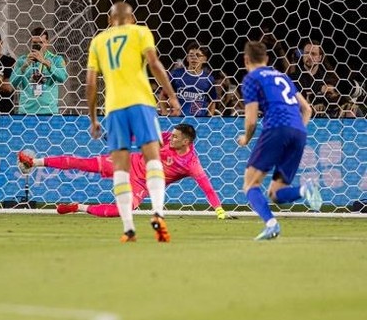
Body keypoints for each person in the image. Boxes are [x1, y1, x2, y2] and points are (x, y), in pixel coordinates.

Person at [86, 1, 181, 243]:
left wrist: (94, 118)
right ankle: (158, 213)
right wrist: (170, 95)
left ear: (109, 21)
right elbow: (154, 63)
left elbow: (91, 82)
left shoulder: (98, 42)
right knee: (153, 159)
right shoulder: (140, 32)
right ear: (132, 18)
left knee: (120, 169)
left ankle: (128, 228)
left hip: (114, 109)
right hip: (141, 104)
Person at [18, 123, 226, 219]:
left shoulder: (191, 163)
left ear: (186, 142)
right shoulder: (165, 138)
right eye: (171, 135)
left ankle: (78, 207)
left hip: (142, 184)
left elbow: (206, 187)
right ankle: (33, 162)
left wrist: (219, 210)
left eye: (175, 137)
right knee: (82, 163)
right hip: (128, 161)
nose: (170, 138)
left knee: (123, 211)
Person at [237, 40, 319, 241]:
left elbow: (251, 120)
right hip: (299, 132)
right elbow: (307, 109)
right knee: (275, 193)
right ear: (266, 59)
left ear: (246, 59)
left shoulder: (252, 78)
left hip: (276, 128)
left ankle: (272, 225)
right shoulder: (283, 77)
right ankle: (304, 190)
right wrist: (296, 129)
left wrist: (246, 138)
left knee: (250, 184)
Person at [11, 26, 67, 114]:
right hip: (26, 112)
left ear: (47, 43)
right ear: (30, 43)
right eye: (34, 43)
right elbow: (12, 84)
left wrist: (46, 63)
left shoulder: (56, 59)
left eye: (41, 42)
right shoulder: (22, 60)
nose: (38, 45)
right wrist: (24, 66)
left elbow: (63, 78)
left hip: (48, 112)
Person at [168, 41, 216, 117]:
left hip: (199, 120)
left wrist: (209, 118)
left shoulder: (208, 79)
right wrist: (164, 113)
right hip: (178, 120)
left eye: (198, 55)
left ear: (204, 59)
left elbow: (213, 101)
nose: (194, 58)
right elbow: (163, 95)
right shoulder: (176, 74)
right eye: (191, 55)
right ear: (187, 58)